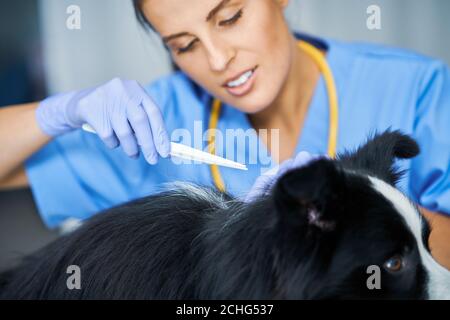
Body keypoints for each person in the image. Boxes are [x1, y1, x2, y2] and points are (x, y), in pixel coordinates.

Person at [0, 0, 449, 265]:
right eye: (185, 46)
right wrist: (57, 111)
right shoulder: (159, 123)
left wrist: (354, 214)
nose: (217, 60)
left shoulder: (413, 90)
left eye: (230, 16)